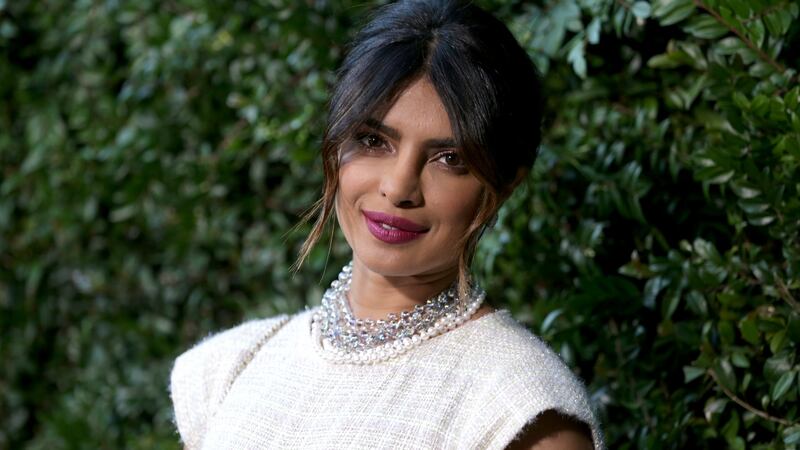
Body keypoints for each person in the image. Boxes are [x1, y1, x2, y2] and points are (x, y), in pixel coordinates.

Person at [170, 0, 604, 449]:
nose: (399, 188)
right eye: (373, 140)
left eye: (449, 159)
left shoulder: (520, 409)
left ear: (504, 186)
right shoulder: (231, 368)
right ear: (336, 142)